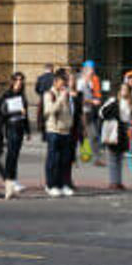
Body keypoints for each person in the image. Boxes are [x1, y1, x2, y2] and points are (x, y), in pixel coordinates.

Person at [42, 69, 77, 197]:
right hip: (54, 130)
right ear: (56, 81)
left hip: (66, 130)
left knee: (65, 160)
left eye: (66, 82)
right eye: (63, 82)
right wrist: (60, 99)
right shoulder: (49, 94)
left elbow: (69, 112)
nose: (65, 85)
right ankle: (51, 185)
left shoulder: (66, 94)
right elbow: (48, 111)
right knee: (53, 160)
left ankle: (63, 184)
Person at [0, 73, 31, 199]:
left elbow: (26, 115)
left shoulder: (22, 96)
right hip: (11, 127)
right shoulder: (7, 95)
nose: (19, 82)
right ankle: (9, 180)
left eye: (21, 80)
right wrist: (17, 111)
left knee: (15, 154)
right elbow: (2, 113)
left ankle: (13, 179)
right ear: (12, 81)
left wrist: (28, 131)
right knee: (11, 155)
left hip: (20, 128)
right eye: (17, 80)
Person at [100, 82, 132, 190]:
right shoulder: (113, 100)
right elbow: (101, 112)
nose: (124, 91)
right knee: (113, 157)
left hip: (123, 129)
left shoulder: (130, 103)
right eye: (122, 89)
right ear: (119, 91)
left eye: (126, 89)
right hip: (114, 128)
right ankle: (113, 182)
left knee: (119, 157)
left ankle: (118, 181)